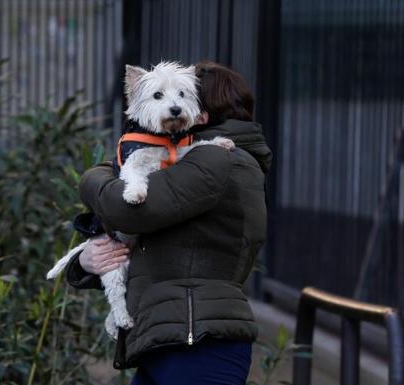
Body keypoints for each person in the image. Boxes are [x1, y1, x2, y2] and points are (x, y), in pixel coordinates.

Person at [65, 60, 272, 385]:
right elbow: (162, 248)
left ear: (202, 112)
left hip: (197, 342)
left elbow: (127, 210)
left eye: (187, 95)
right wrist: (85, 261)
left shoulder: (218, 160)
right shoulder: (208, 160)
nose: (174, 105)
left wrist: (94, 175)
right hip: (173, 336)